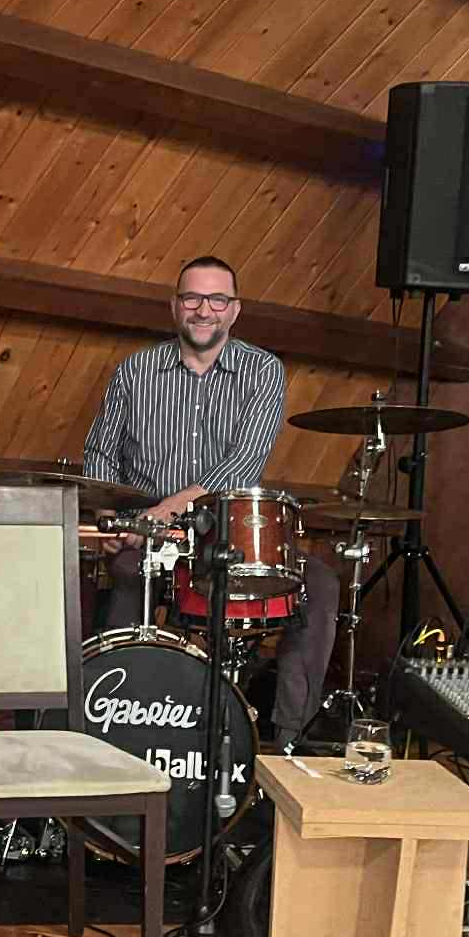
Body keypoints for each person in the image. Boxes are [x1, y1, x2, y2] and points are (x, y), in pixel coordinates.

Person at [83, 255, 340, 749]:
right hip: (146, 537)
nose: (205, 310)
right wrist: (110, 520)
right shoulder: (134, 371)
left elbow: (244, 464)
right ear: (175, 306)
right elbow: (100, 454)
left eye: (217, 299)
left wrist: (170, 509)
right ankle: (115, 732)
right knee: (126, 578)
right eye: (193, 298)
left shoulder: (262, 371)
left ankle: (288, 737)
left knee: (321, 586)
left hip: (229, 530)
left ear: (234, 309)